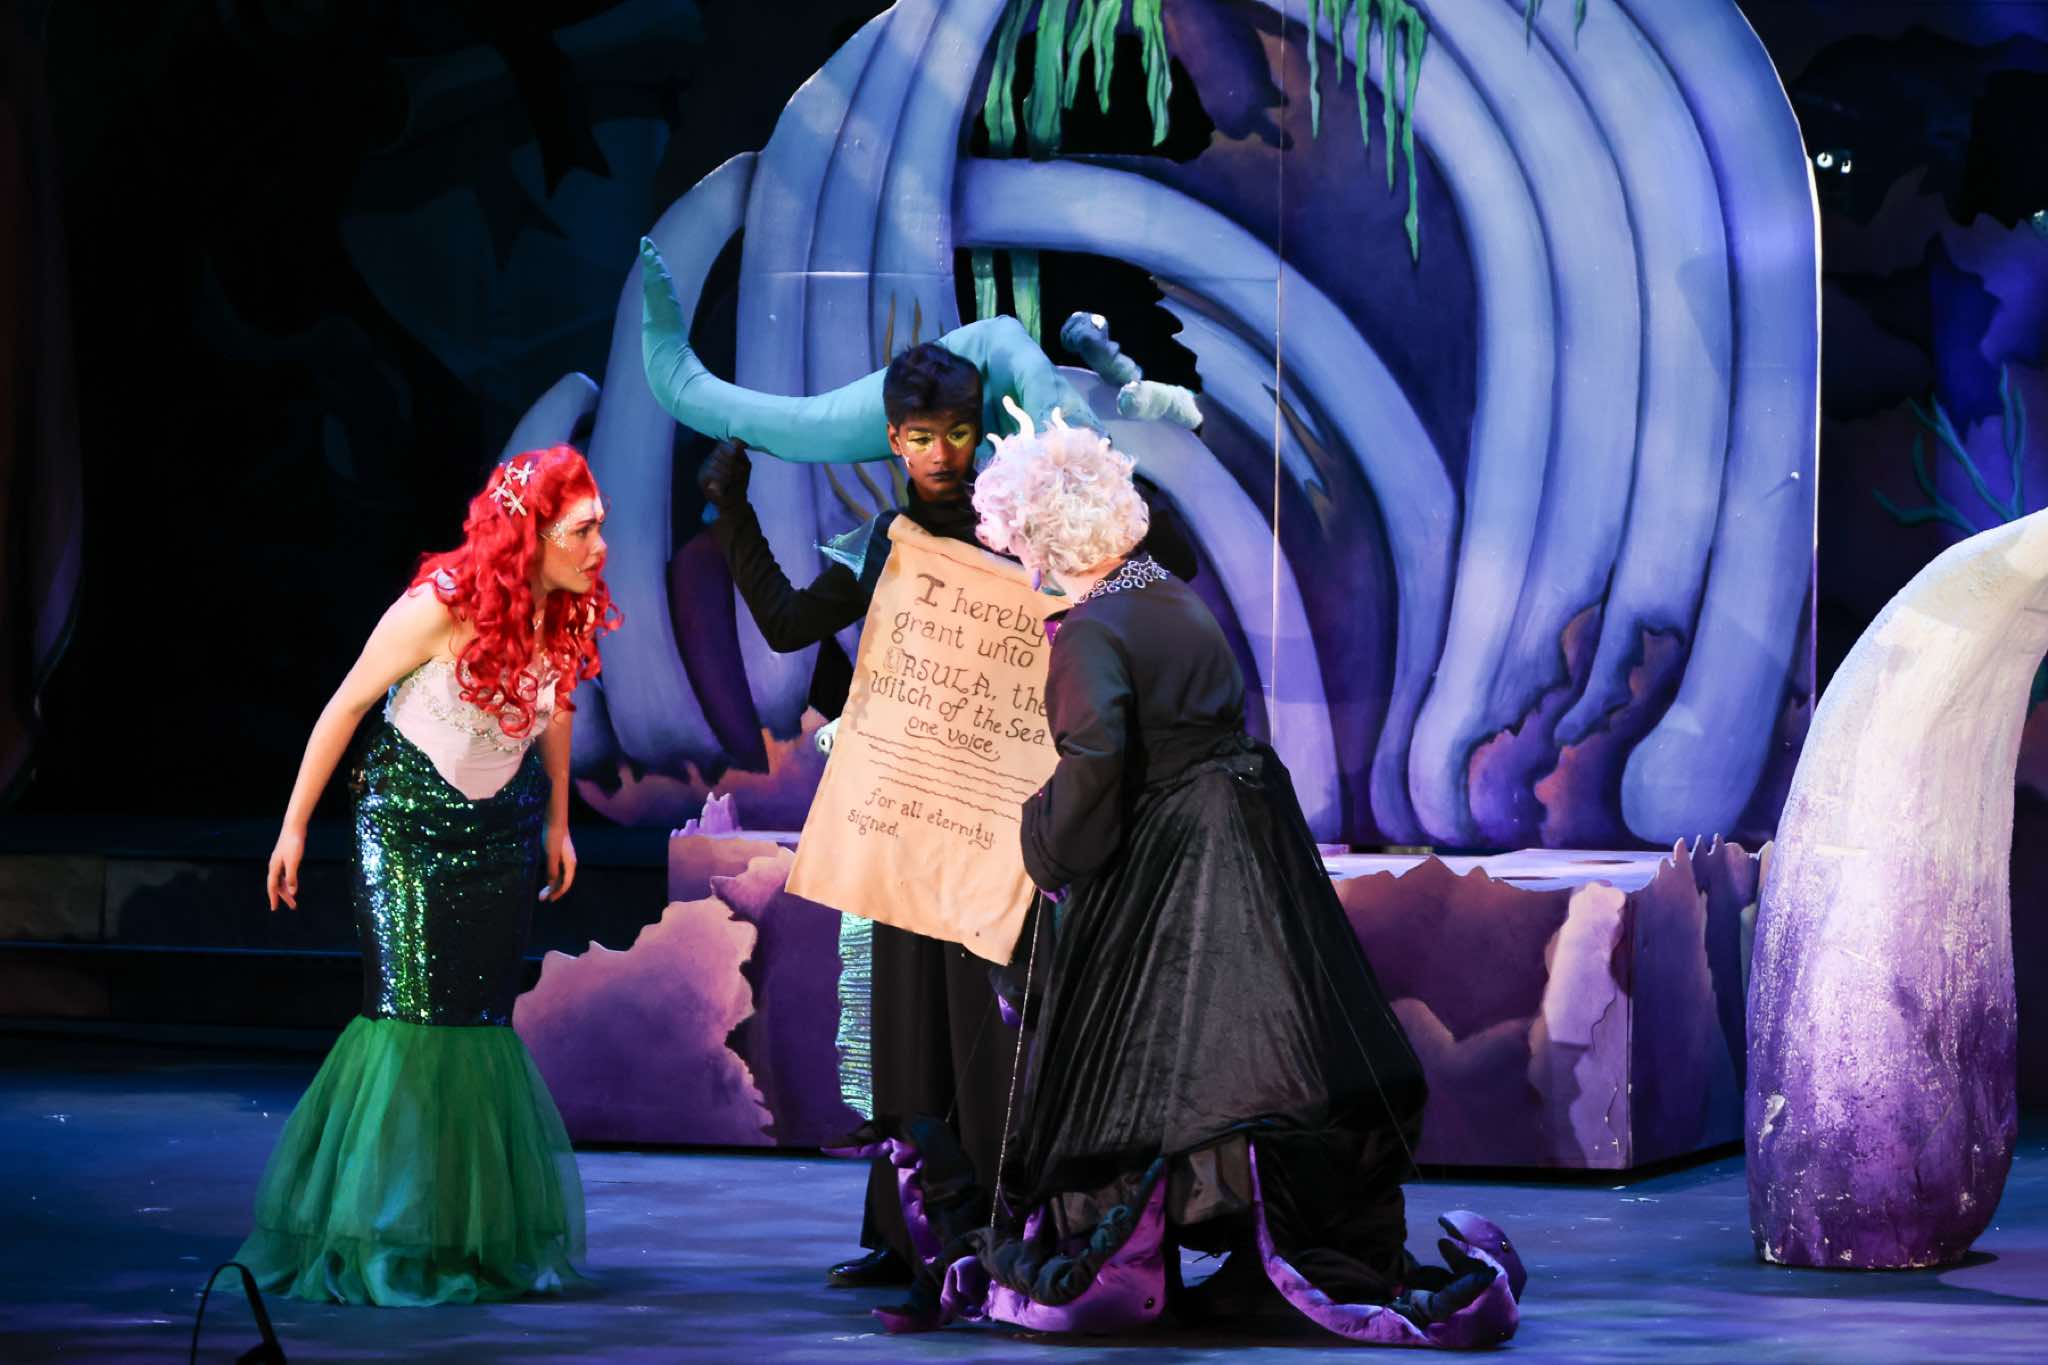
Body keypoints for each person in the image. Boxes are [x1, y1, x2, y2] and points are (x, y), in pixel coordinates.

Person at [870, 409, 1523, 1344]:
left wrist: (1042, 842)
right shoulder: (1170, 594)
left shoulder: (1091, 629)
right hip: (1243, 845)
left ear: (1043, 538)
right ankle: (1247, 1239)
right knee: (1243, 1050)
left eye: (1021, 545)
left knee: (1155, 1067)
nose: (1024, 564)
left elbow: (1094, 761)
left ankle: (1139, 1258)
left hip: (1173, 863)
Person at [698, 342, 1198, 1289]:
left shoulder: (1019, 523)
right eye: (921, 437)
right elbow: (789, 622)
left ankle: (1003, 1229)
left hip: (1008, 822)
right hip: (909, 816)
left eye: (958, 432)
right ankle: (910, 1229)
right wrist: (733, 515)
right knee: (906, 1028)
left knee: (993, 1025)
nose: (941, 454)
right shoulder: (886, 543)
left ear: (979, 431)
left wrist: (1109, 481)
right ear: (894, 439)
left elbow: (1171, 561)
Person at [239, 445, 618, 1306]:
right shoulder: (438, 607)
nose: (599, 546)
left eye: (600, 527)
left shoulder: (567, 606)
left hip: (500, 829)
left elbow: (555, 706)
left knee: (477, 1020)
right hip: (408, 824)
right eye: (582, 529)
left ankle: (462, 1233)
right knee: (411, 1016)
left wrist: (559, 818)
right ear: (530, 535)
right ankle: (382, 1237)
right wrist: (293, 825)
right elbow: (346, 703)